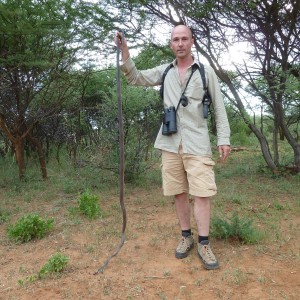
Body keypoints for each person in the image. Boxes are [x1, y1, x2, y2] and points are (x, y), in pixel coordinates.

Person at [115, 25, 230, 270]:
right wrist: (125, 51)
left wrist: (223, 138)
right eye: (176, 39)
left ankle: (204, 243)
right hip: (169, 142)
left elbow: (219, 108)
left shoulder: (205, 72)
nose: (180, 43)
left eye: (184, 39)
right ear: (171, 44)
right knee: (178, 192)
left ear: (192, 42)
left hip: (197, 142)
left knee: (201, 193)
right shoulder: (165, 71)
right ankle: (186, 236)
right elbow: (135, 77)